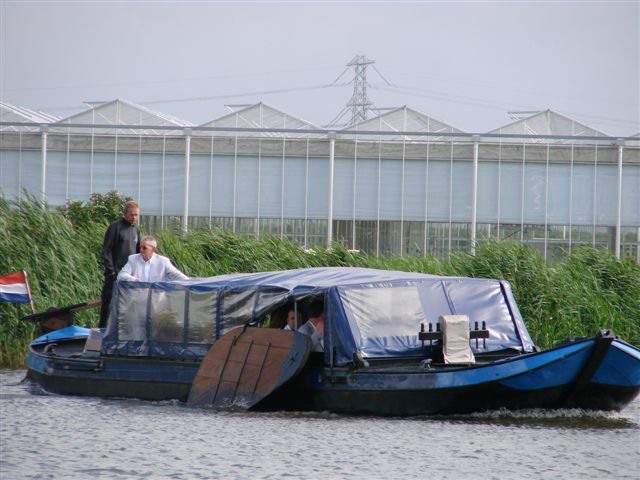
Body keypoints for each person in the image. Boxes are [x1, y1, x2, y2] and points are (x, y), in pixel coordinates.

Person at [99, 201, 140, 328]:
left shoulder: (136, 229)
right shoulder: (115, 227)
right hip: (114, 274)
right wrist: (111, 270)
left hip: (129, 275)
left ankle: (123, 330)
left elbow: (138, 252)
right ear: (125, 214)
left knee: (127, 305)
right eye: (131, 214)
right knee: (108, 304)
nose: (134, 217)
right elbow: (106, 250)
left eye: (136, 215)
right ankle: (102, 329)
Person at [117, 236, 189, 282]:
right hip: (137, 295)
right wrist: (136, 280)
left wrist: (189, 282)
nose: (141, 250)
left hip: (156, 296)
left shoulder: (163, 261)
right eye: (140, 247)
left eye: (144, 248)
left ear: (153, 249)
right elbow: (121, 275)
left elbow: (177, 275)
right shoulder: (133, 259)